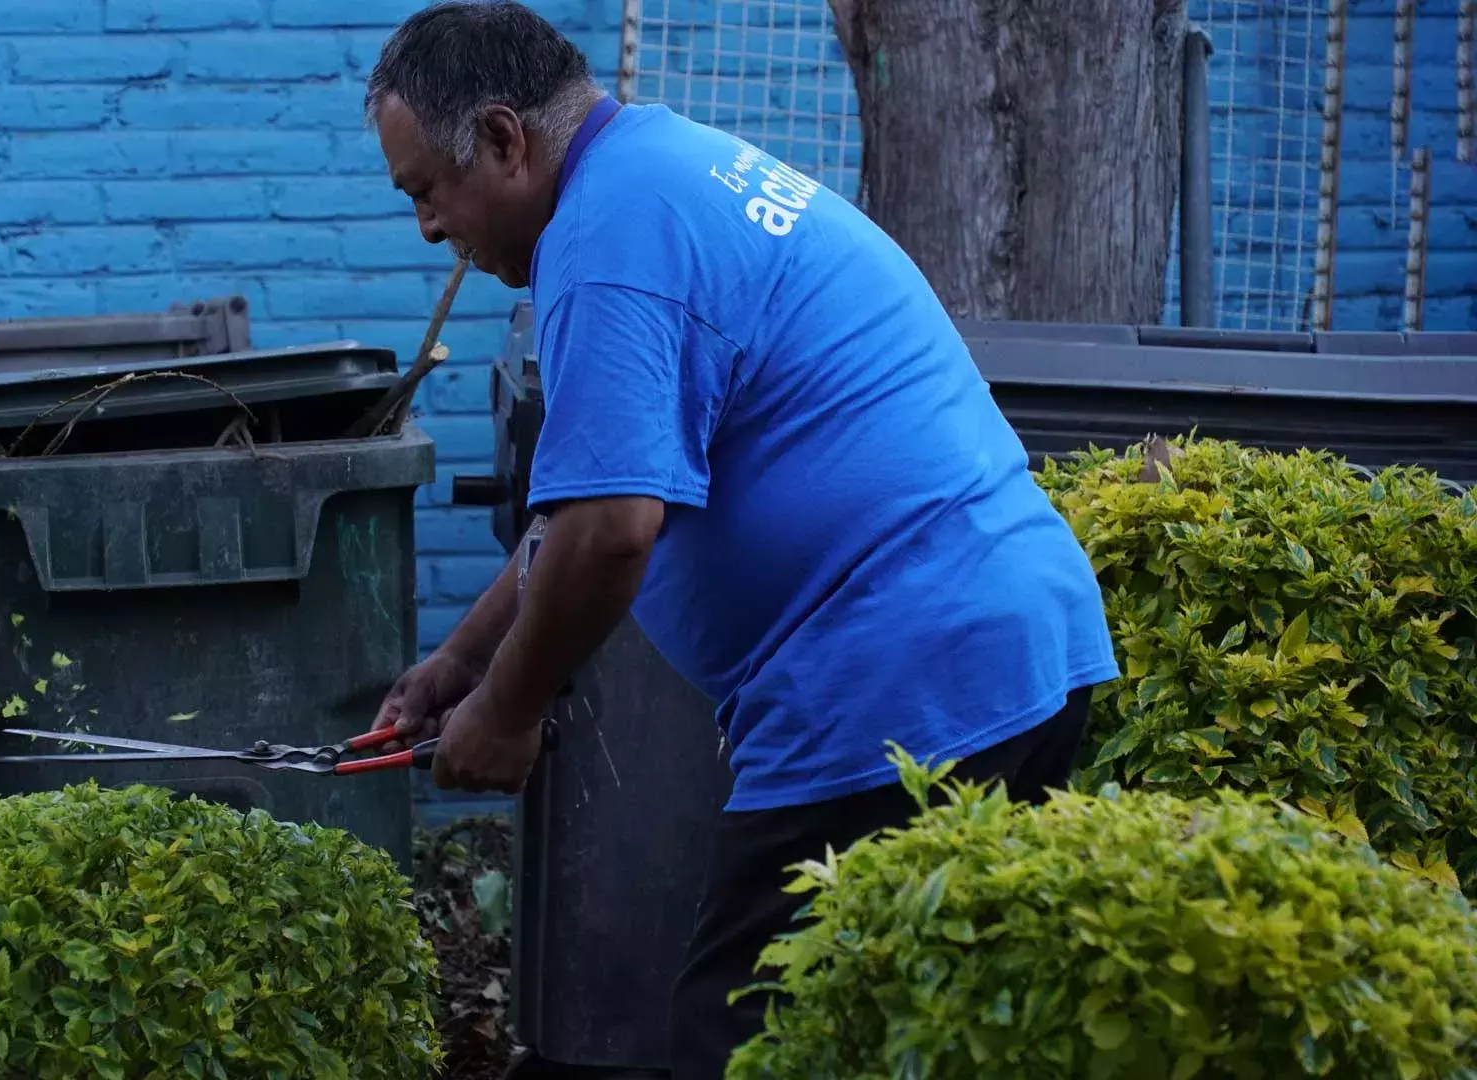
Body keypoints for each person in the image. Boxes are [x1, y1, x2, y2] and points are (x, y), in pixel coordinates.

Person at [361, 2, 1120, 1076]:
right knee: (914, 1037)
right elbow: (583, 511)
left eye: (426, 192)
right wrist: (463, 660)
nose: (431, 229)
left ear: (501, 138)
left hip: (896, 689)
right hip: (1004, 651)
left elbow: (614, 532)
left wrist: (511, 708)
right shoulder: (661, 174)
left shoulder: (610, 240)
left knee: (743, 1039)